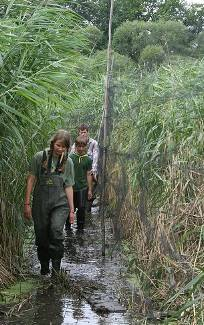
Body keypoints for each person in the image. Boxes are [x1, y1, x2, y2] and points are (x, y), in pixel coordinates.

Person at [24, 129, 75, 276]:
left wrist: (72, 211)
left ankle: (56, 270)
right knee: (41, 235)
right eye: (58, 145)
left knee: (56, 231)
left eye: (64, 147)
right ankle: (44, 267)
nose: (60, 149)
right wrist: (27, 204)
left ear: (67, 147)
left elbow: (69, 186)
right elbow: (31, 179)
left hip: (60, 204)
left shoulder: (68, 162)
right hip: (40, 203)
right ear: (53, 143)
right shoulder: (39, 157)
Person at [66, 136, 92, 232]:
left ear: (86, 146)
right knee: (69, 207)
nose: (81, 149)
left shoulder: (88, 160)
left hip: (82, 187)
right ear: (75, 146)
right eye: (79, 146)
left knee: (81, 207)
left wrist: (89, 189)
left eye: (83, 146)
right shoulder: (70, 158)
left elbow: (88, 174)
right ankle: (68, 227)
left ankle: (80, 228)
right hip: (71, 187)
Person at [71, 124, 99, 210]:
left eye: (85, 132)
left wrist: (93, 172)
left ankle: (88, 208)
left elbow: (95, 157)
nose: (83, 134)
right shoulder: (76, 144)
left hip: (89, 169)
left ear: (88, 132)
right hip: (78, 171)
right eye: (81, 132)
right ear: (79, 133)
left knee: (89, 190)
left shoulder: (93, 143)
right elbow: (71, 156)